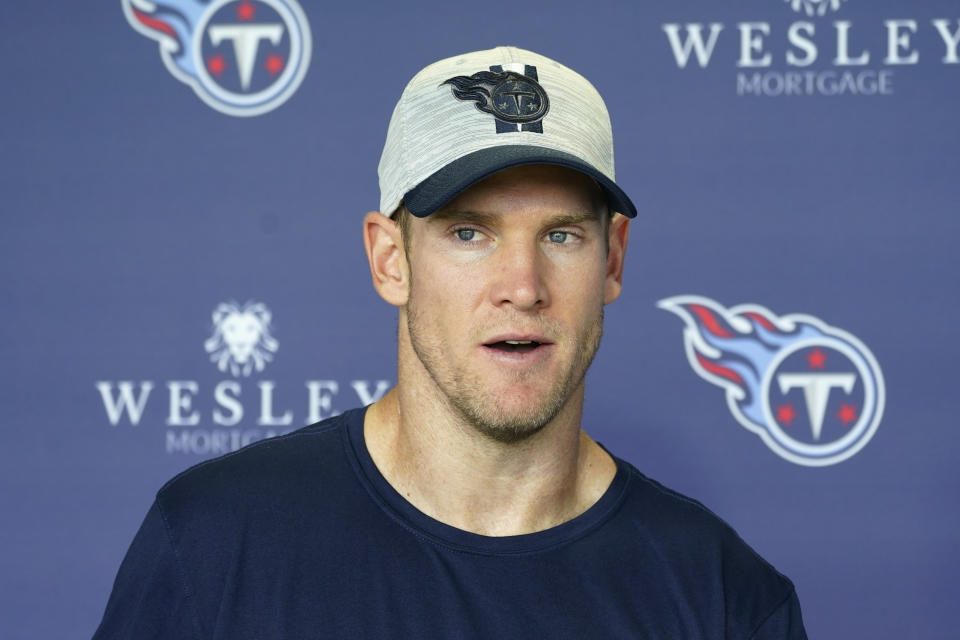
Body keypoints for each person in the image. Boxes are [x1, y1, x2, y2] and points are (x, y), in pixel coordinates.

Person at [94, 46, 807, 639]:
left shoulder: (724, 599)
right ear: (390, 259)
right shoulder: (215, 543)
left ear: (613, 259)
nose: (522, 286)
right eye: (469, 233)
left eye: (561, 235)